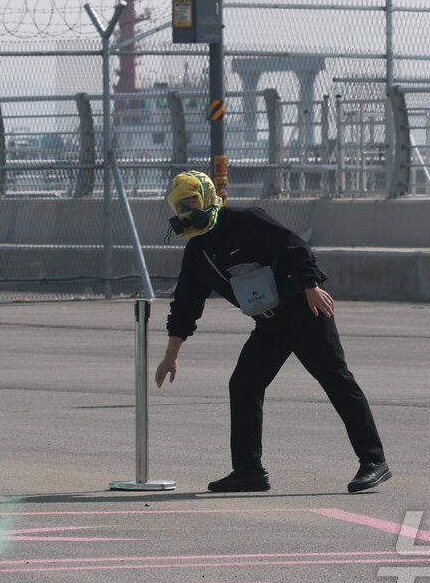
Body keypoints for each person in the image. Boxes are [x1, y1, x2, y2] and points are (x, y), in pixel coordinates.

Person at [153, 170, 390, 494]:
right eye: (180, 207)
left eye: (192, 203)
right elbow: (186, 305)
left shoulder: (244, 220)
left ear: (208, 199)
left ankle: (373, 460)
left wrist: (310, 285)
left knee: (336, 379)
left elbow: (294, 247)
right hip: (270, 323)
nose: (186, 213)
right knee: (244, 383)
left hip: (305, 311)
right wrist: (171, 354)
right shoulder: (198, 252)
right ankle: (248, 470)